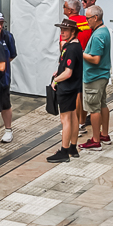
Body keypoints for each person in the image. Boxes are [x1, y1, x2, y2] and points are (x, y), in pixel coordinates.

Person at [44, 17, 83, 164]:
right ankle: (73, 147)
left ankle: (64, 150)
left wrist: (56, 80)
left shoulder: (72, 48)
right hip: (73, 87)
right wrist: (58, 72)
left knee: (65, 119)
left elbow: (68, 72)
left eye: (65, 30)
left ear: (73, 31)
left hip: (67, 88)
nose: (62, 32)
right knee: (73, 117)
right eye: (61, 29)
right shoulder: (74, 45)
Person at [79, 11, 113, 151]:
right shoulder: (104, 30)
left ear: (95, 17)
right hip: (101, 75)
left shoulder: (98, 35)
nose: (86, 21)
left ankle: (96, 140)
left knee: (94, 108)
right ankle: (104, 134)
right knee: (102, 104)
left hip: (94, 77)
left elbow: (95, 58)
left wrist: (81, 53)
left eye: (88, 18)